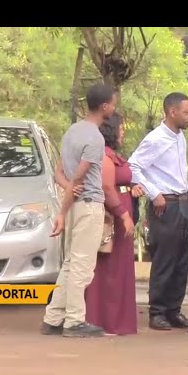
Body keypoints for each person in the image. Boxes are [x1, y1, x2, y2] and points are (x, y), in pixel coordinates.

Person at [54, 112, 143, 335]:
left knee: (91, 267)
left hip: (109, 210)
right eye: (120, 127)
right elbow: (105, 186)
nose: (123, 131)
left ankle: (55, 317)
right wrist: (122, 213)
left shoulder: (107, 152)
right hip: (103, 213)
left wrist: (131, 190)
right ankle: (82, 320)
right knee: (90, 268)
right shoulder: (96, 149)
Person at [41, 83, 117, 338]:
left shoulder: (72, 131)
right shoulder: (95, 138)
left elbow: (59, 174)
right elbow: (79, 177)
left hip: (74, 204)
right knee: (82, 266)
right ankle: (74, 321)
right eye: (113, 103)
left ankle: (53, 318)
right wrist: (66, 202)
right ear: (104, 106)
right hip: (88, 205)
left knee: (70, 263)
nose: (114, 108)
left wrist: (68, 195)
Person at [130, 92, 188, 331]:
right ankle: (157, 311)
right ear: (172, 112)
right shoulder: (156, 139)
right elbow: (133, 166)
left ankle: (174, 310)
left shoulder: (180, 137)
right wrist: (153, 193)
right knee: (165, 259)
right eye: (187, 112)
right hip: (164, 205)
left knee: (181, 260)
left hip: (182, 203)